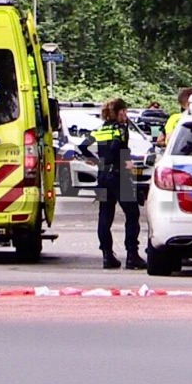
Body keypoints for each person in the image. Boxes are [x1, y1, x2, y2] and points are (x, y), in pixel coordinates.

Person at [79, 98, 144, 269]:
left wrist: (98, 161)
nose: (126, 115)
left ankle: (107, 255)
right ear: (120, 112)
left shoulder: (100, 130)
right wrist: (124, 162)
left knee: (105, 215)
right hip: (119, 176)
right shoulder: (121, 130)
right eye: (125, 112)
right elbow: (118, 147)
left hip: (102, 178)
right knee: (132, 214)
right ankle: (132, 255)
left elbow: (83, 146)